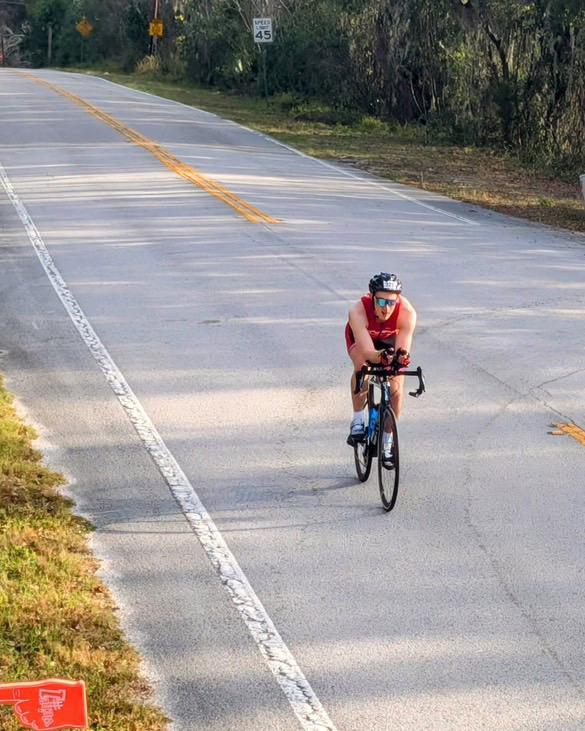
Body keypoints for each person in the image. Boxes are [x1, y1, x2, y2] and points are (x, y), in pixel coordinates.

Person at [345, 272, 417, 461]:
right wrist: (380, 357)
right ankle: (358, 420)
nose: (386, 309)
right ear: (371, 297)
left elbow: (402, 351)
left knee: (397, 387)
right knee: (363, 367)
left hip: (388, 339)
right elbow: (369, 353)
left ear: (398, 300)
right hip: (363, 339)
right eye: (382, 302)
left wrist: (399, 360)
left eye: (391, 303)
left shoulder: (407, 313)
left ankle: (388, 440)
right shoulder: (358, 311)